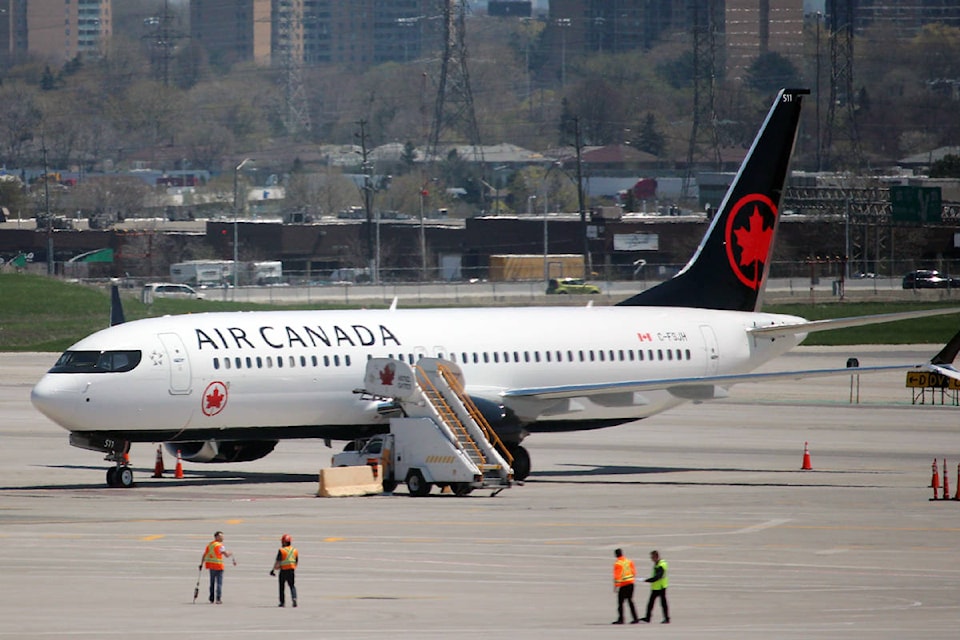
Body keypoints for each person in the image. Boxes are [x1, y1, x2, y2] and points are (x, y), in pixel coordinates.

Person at [199, 531, 235, 604]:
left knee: (212, 583)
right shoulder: (219, 546)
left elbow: (204, 554)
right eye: (221, 536)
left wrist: (201, 564)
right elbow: (226, 555)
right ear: (216, 537)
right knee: (219, 583)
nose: (222, 538)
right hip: (218, 566)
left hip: (211, 566)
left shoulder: (210, 545)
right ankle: (218, 598)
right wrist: (231, 553)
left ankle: (211, 598)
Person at [611, 548, 640, 624]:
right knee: (630, 601)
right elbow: (634, 572)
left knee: (620, 602)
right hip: (631, 583)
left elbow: (617, 576)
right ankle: (635, 618)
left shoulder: (617, 563)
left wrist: (616, 586)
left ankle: (621, 619)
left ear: (616, 555)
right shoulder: (629, 561)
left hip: (624, 584)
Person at [640, 549, 669, 624]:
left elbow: (657, 577)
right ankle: (648, 617)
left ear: (656, 557)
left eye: (652, 557)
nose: (651, 559)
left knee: (663, 603)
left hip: (661, 587)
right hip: (656, 587)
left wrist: (646, 580)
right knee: (651, 603)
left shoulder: (661, 565)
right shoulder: (657, 563)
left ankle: (666, 618)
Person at [270, 533, 298, 607]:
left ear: (284, 542)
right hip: (291, 570)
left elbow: (278, 561)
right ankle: (294, 598)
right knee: (292, 585)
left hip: (283, 570)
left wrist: (273, 570)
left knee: (282, 587)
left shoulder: (282, 550)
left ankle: (282, 602)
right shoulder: (294, 550)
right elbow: (296, 561)